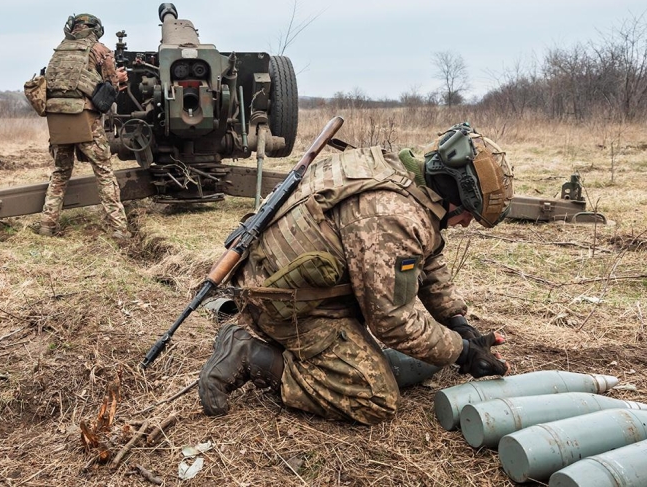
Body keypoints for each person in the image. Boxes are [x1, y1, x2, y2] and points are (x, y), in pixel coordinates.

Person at [199, 123, 514, 425]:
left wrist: (456, 321)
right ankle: (250, 353)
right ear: (455, 195)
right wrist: (462, 352)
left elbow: (426, 253)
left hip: (279, 280)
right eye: (468, 215)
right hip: (285, 307)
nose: (465, 224)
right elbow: (392, 322)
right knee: (375, 397)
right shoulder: (392, 215)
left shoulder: (397, 171)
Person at [37, 13, 129, 238]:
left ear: (72, 27)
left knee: (60, 172)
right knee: (104, 172)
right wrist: (120, 79)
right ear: (96, 28)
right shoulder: (100, 50)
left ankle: (47, 226)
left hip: (57, 119)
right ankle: (118, 229)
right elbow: (110, 88)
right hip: (84, 118)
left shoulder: (59, 50)